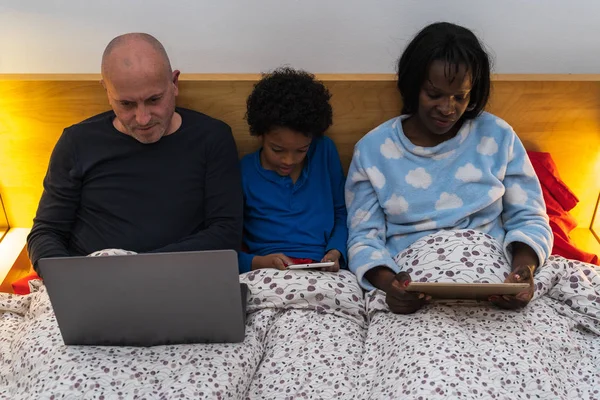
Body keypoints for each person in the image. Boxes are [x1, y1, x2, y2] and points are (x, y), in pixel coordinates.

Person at [345, 22, 553, 313]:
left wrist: (522, 274)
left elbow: (530, 217)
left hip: (494, 279)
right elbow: (363, 238)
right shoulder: (372, 151)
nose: (447, 109)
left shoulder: (497, 135)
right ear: (413, 85)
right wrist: (391, 286)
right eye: (435, 94)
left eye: (460, 97)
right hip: (414, 286)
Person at [27, 33, 243, 273]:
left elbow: (226, 234)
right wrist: (67, 281)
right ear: (107, 91)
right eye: (126, 104)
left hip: (179, 278)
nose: (143, 119)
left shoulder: (212, 138)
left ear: (174, 83)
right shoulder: (76, 142)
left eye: (154, 100)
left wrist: (137, 271)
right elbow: (46, 232)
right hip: (93, 279)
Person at [238, 67, 347, 273]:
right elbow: (226, 246)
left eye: (301, 150)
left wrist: (336, 251)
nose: (289, 160)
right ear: (260, 134)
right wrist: (258, 262)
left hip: (324, 270)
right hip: (267, 273)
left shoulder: (324, 152)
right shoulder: (244, 172)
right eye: (277, 149)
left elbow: (342, 212)